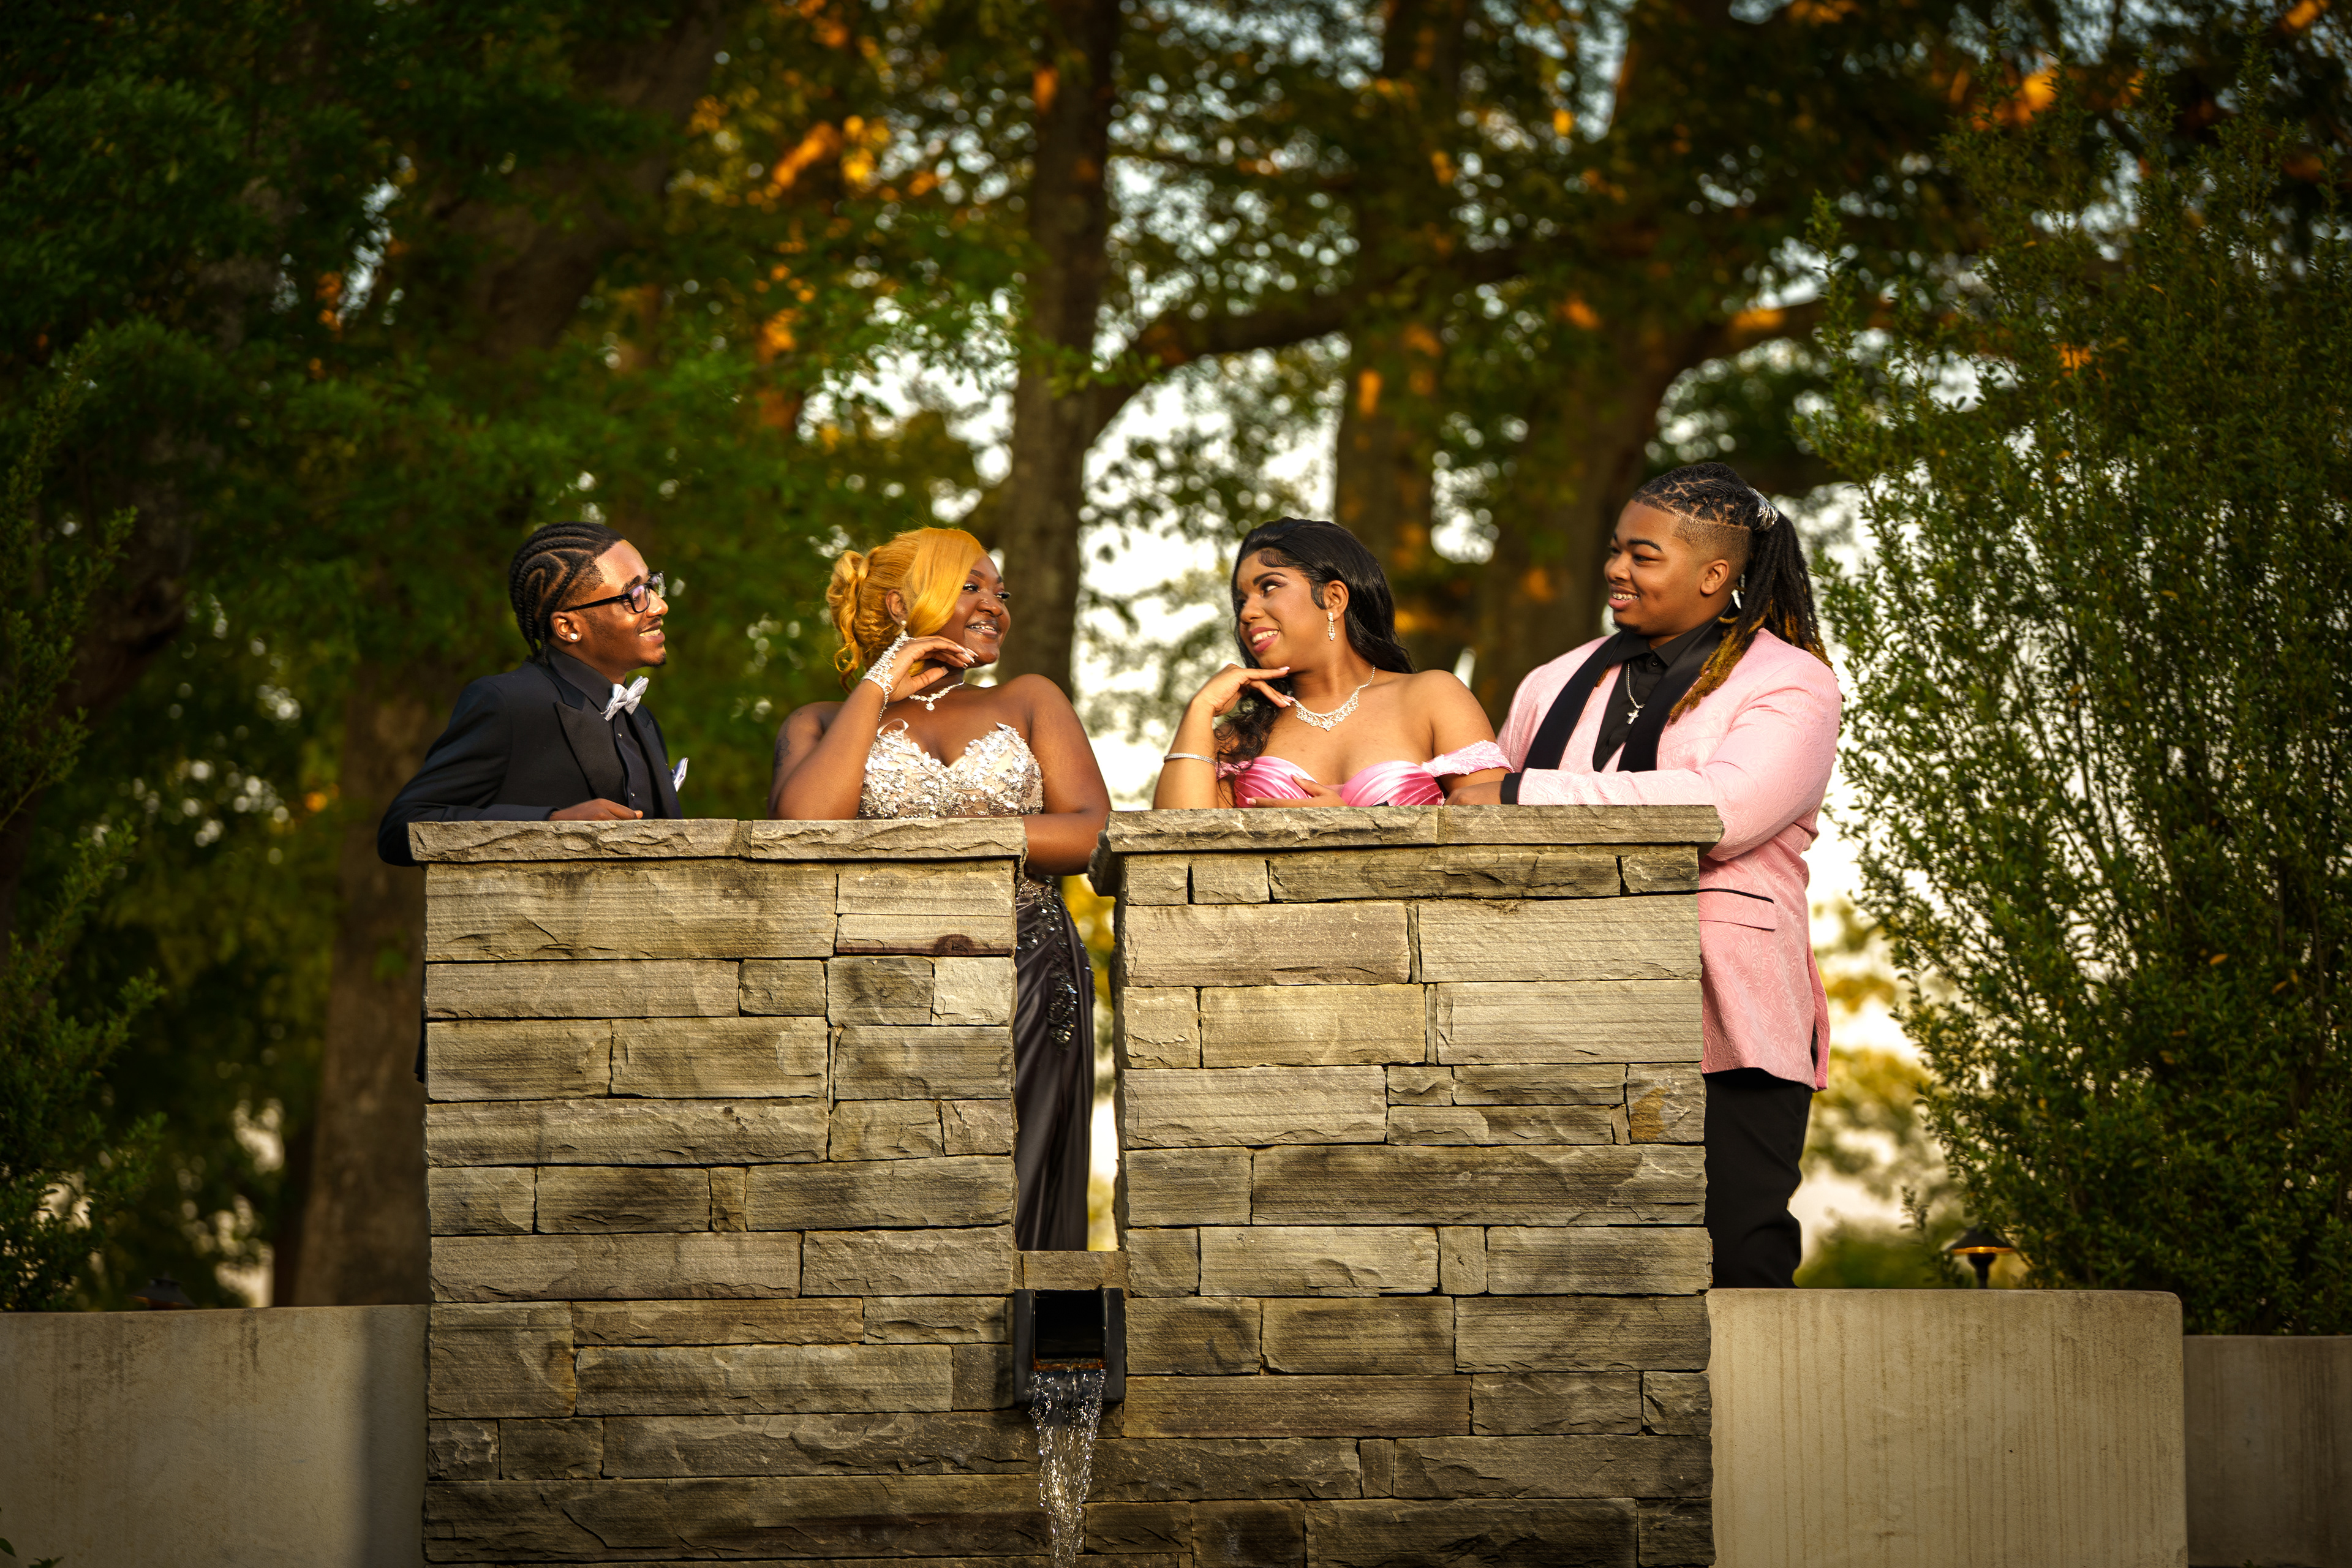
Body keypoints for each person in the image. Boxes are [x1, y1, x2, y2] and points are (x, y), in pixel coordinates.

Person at [1451, 462, 1841, 1289]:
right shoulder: (1552, 681)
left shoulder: (1792, 681)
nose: (1616, 569)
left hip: (1724, 1014)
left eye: (1643, 555)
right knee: (1563, 1267)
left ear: (1714, 573)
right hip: (1559, 1004)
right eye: (1615, 550)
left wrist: (1523, 793)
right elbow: (1478, 821)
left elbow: (1724, 809)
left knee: (1735, 1249)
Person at [770, 527, 1110, 1252]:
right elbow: (802, 828)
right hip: (882, 980)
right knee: (900, 1187)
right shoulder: (821, 724)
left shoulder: (1029, 698)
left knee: (1018, 1186)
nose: (995, 605)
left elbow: (1090, 830)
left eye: (1001, 592)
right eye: (972, 586)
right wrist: (878, 685)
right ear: (901, 604)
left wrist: (955, 840)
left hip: (1028, 969)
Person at [379, 520, 683, 869]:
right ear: (568, 627)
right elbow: (401, 828)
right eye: (635, 596)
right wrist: (549, 825)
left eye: (651, 585)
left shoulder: (642, 721)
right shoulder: (507, 702)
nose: (659, 606)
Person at [1151, 518, 1508, 808]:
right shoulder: (1240, 738)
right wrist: (1200, 709)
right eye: (1241, 601)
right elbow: (1174, 846)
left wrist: (1352, 830)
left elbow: (1495, 833)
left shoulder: (1432, 696)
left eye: (1269, 587)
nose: (1247, 613)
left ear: (1333, 597)